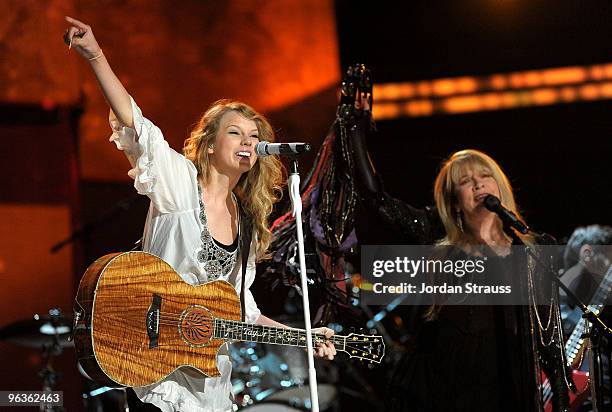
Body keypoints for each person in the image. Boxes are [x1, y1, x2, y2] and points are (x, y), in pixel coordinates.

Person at [63, 16, 336, 412]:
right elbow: (136, 125)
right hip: (154, 372)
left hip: (208, 386)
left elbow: (245, 313)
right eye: (235, 133)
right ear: (209, 145)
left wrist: (304, 335)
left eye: (255, 136)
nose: (248, 142)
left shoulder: (247, 223)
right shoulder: (179, 184)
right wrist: (95, 55)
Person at [342, 89, 571, 410]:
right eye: (466, 181)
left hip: (509, 392)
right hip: (444, 393)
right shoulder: (436, 240)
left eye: (484, 176)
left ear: (499, 185)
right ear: (454, 201)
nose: (478, 185)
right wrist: (355, 129)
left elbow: (549, 336)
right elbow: (376, 198)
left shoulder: (531, 247)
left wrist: (560, 394)